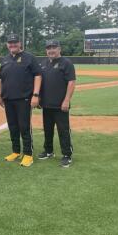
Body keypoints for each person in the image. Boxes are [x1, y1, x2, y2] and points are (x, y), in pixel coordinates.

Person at [0, 34, 42, 167]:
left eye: (15, 43)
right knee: (13, 127)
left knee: (24, 127)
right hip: (8, 99)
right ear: (7, 45)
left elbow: (38, 75)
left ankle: (28, 154)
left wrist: (35, 95)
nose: (12, 45)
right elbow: (1, 79)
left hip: (24, 99)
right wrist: (0, 95)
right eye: (10, 43)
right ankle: (16, 151)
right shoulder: (5, 59)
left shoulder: (29, 58)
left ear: (20, 43)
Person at [38, 40, 76, 168]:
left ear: (59, 49)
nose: (51, 50)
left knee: (63, 130)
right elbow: (40, 82)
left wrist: (66, 100)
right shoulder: (43, 64)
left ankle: (67, 155)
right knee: (47, 130)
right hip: (46, 104)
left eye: (53, 47)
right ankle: (48, 151)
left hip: (61, 105)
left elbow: (71, 82)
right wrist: (39, 99)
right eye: (48, 48)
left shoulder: (66, 63)